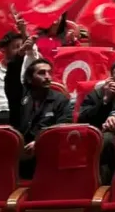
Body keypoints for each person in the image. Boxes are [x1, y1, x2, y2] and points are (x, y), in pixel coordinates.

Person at [4, 39, 72, 176]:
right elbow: (11, 80)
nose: (47, 77)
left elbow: (63, 127)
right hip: (20, 154)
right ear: (29, 79)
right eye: (41, 73)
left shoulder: (60, 100)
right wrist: (19, 56)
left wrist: (40, 142)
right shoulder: (19, 96)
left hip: (48, 153)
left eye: (49, 73)